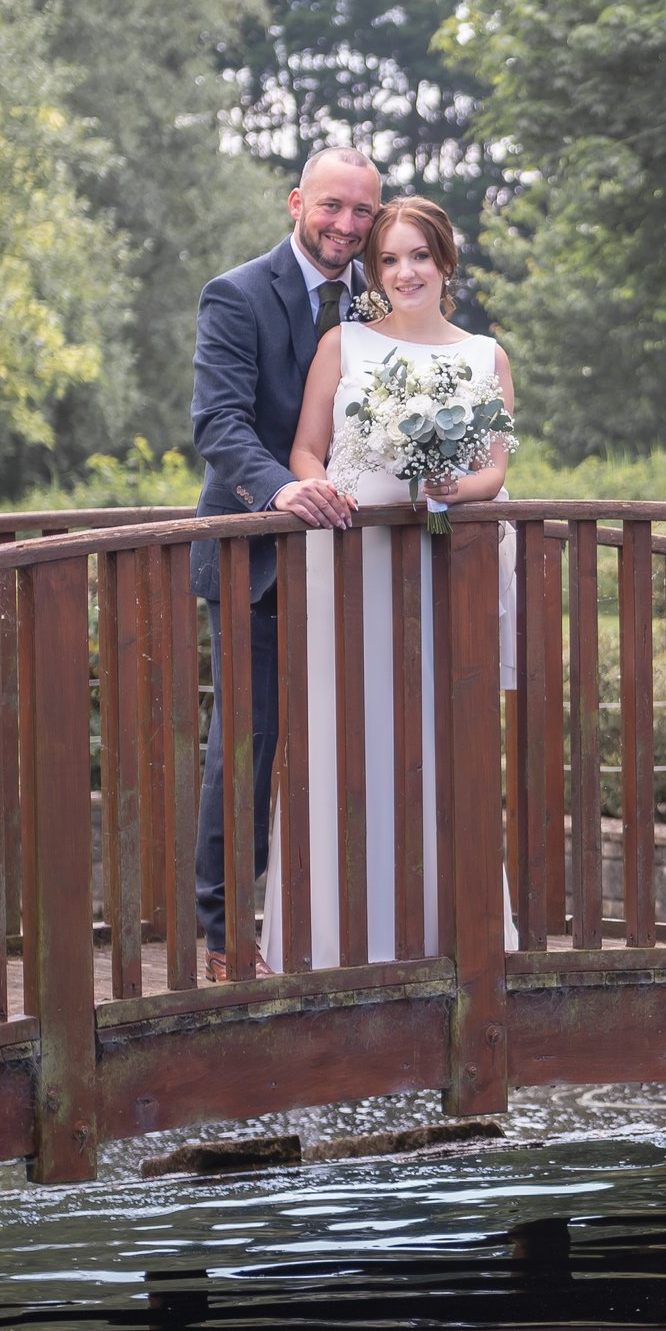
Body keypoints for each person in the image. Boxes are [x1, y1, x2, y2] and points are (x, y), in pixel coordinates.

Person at [265, 195, 517, 968]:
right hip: (347, 566)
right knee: (339, 736)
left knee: (443, 736)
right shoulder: (344, 345)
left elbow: (496, 471)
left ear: (445, 262)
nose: (406, 272)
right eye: (389, 259)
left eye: (420, 255)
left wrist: (438, 489)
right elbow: (307, 450)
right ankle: (328, 936)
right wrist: (325, 491)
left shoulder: (486, 356)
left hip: (441, 565)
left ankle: (450, 929)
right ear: (374, 272)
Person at [187, 147, 375, 981]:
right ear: (297, 201)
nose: (346, 225)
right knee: (246, 746)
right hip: (254, 561)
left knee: (368, 742)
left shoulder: (386, 294)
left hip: (366, 562)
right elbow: (219, 425)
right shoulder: (235, 295)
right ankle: (227, 939)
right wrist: (282, 492)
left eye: (362, 212)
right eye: (332, 206)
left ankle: (359, 927)